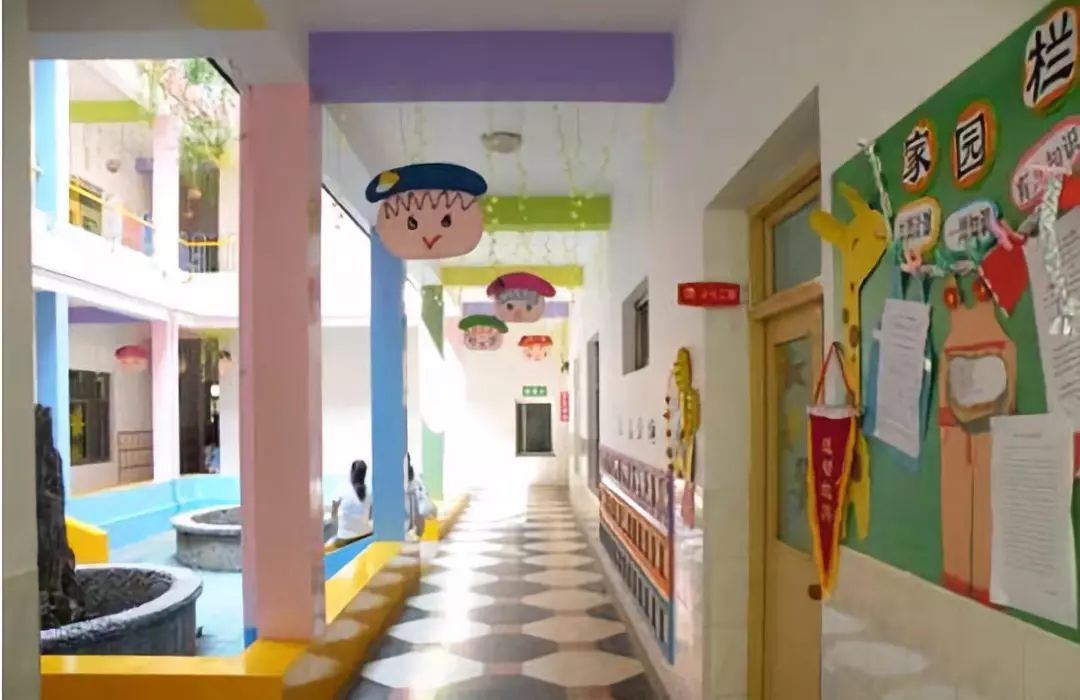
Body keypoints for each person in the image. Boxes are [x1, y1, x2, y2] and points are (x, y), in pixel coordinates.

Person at [330, 460, 373, 548]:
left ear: (352, 473)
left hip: (345, 539)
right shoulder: (368, 494)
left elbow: (333, 516)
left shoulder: (342, 489)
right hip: (366, 535)